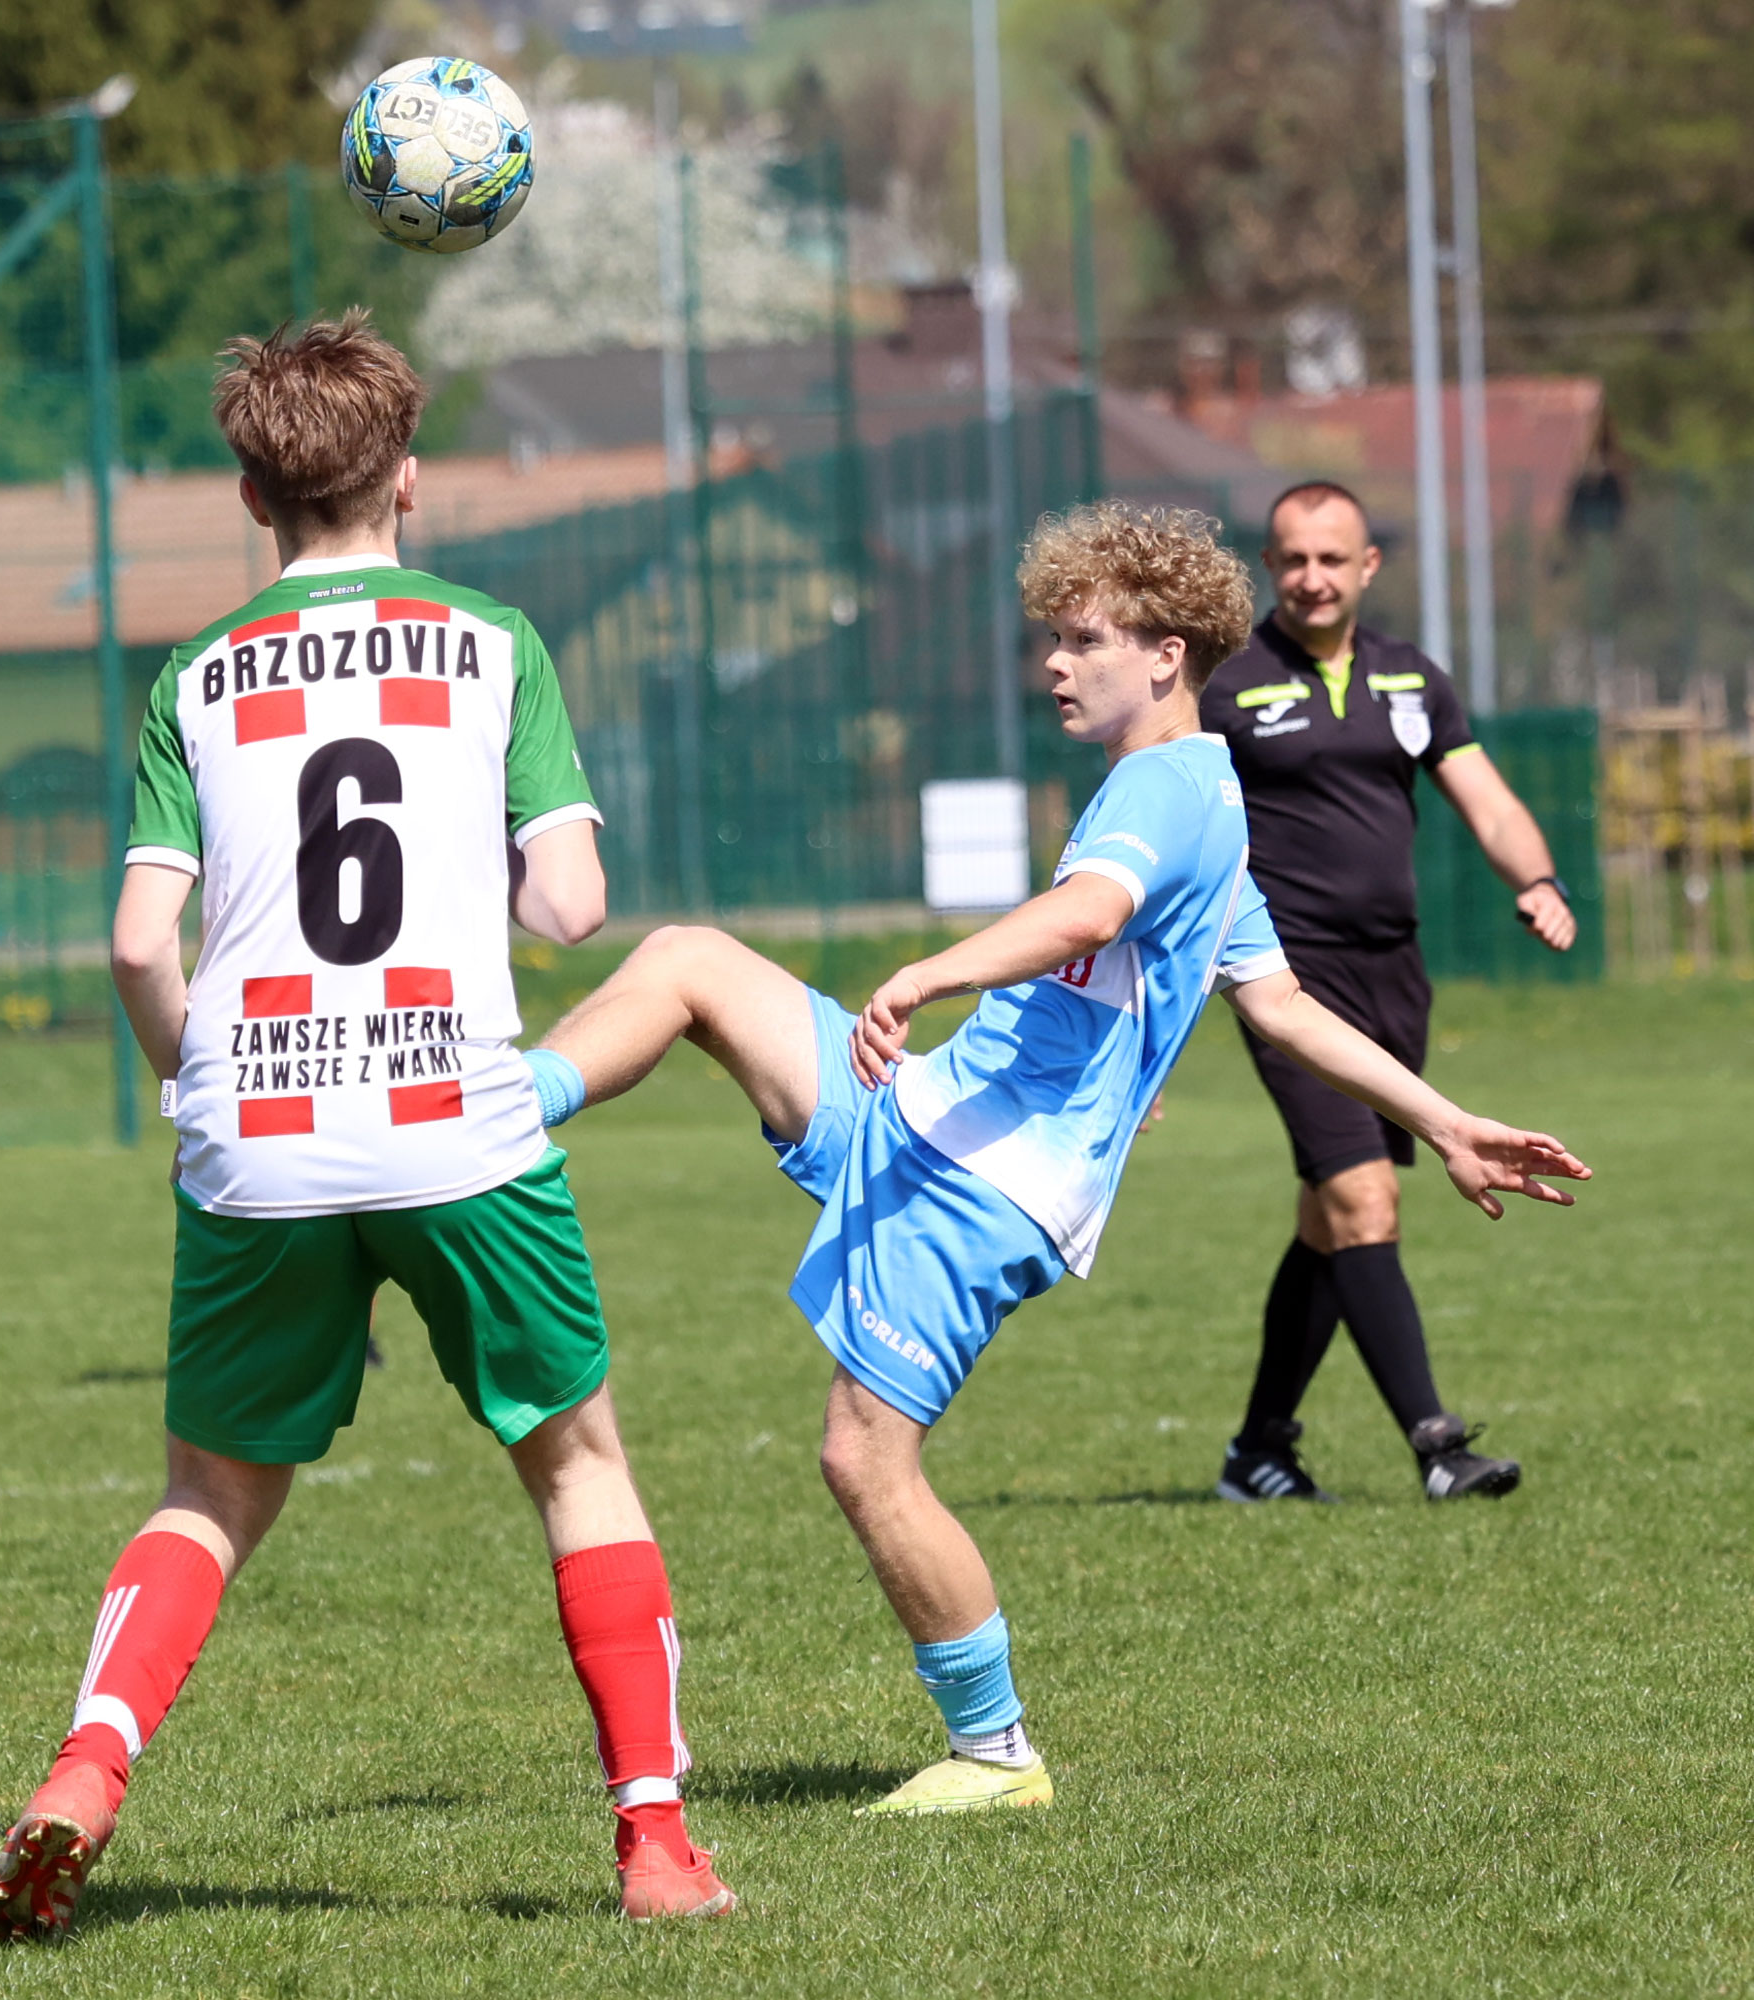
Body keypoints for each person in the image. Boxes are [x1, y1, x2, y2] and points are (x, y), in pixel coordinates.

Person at [520, 502, 1589, 1817]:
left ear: (1166, 654)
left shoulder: (1164, 789)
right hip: (933, 1110)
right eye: (1054, 639)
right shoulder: (1209, 797)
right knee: (689, 960)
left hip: (990, 1176)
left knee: (864, 1458)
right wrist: (1443, 1118)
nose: (1055, 664)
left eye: (1083, 640)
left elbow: (1090, 911)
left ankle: (994, 1752)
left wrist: (930, 970)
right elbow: (1281, 1004)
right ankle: (507, 1106)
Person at [0, 315, 734, 1942]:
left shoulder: (196, 673)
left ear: (253, 494)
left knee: (210, 1492)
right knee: (575, 1464)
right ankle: (658, 1845)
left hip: (257, 1128)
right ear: (410, 477)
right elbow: (572, 906)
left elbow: (138, 942)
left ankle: (88, 1770)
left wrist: (191, 1090)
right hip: (454, 1119)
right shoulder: (492, 643)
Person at [1202, 482, 1578, 1505]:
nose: (1311, 577)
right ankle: (1437, 1446)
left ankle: (1256, 1453)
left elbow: (1485, 799)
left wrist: (1537, 880)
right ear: (1267, 566)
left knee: (1331, 1218)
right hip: (1286, 980)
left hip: (1393, 977)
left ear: (1367, 565)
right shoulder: (1225, 686)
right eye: (1292, 558)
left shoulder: (1411, 677)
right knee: (1364, 1197)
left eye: (1332, 558)